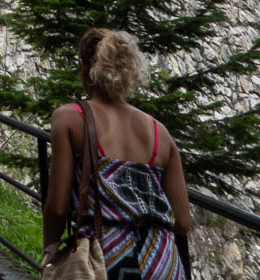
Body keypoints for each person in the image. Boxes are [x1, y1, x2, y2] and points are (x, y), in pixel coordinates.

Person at [43, 28, 190, 279]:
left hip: (106, 260)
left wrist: (50, 249)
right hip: (163, 262)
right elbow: (183, 223)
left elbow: (57, 207)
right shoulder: (160, 133)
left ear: (83, 67)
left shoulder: (69, 119)